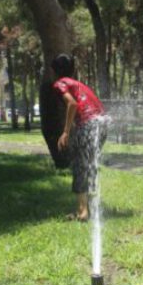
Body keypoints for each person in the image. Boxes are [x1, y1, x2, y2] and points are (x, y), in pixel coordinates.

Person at [53, 54, 108, 222]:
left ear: (55, 70)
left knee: (79, 166)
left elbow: (72, 104)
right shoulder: (79, 84)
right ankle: (89, 206)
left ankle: (83, 212)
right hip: (103, 123)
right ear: (73, 69)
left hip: (89, 124)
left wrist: (66, 132)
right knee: (88, 165)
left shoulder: (60, 83)